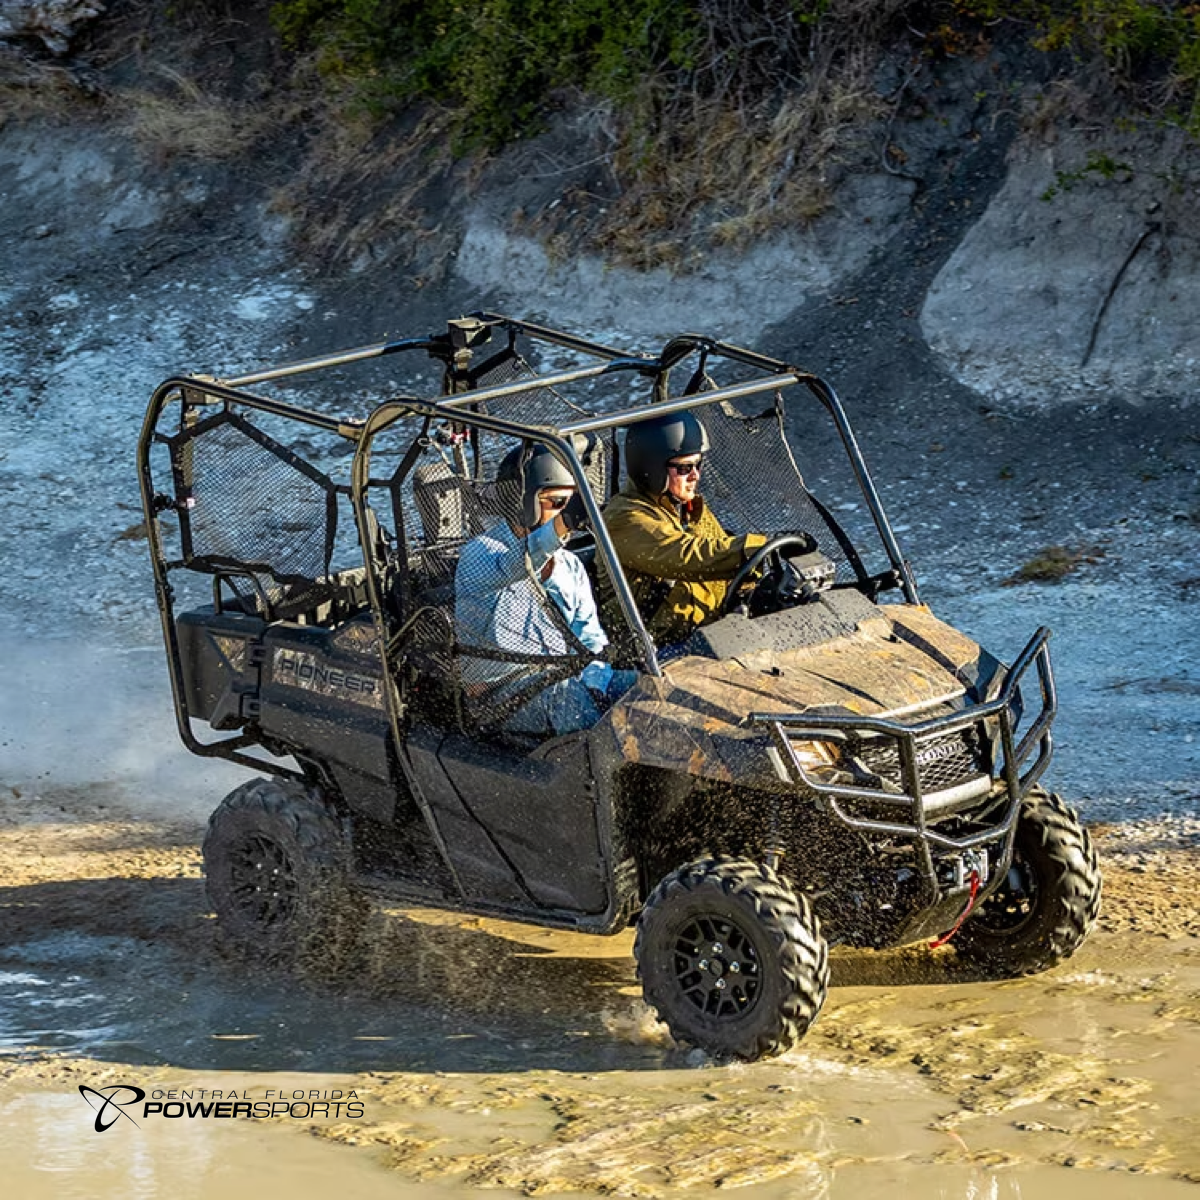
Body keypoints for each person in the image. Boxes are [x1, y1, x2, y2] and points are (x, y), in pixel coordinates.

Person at [455, 442, 633, 737]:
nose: (566, 513)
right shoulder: (481, 552)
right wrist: (563, 524)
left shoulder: (571, 565)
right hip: (500, 695)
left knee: (643, 686)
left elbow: (589, 636)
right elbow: (517, 566)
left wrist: (596, 685)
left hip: (564, 679)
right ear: (522, 502)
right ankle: (618, 776)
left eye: (571, 503)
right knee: (568, 700)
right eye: (557, 502)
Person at [603, 411, 769, 646]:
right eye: (684, 468)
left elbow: (720, 554)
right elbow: (687, 555)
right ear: (652, 468)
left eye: (698, 464)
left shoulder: (687, 508)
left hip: (708, 638)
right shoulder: (624, 519)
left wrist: (762, 576)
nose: (695, 475)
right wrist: (757, 548)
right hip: (655, 656)